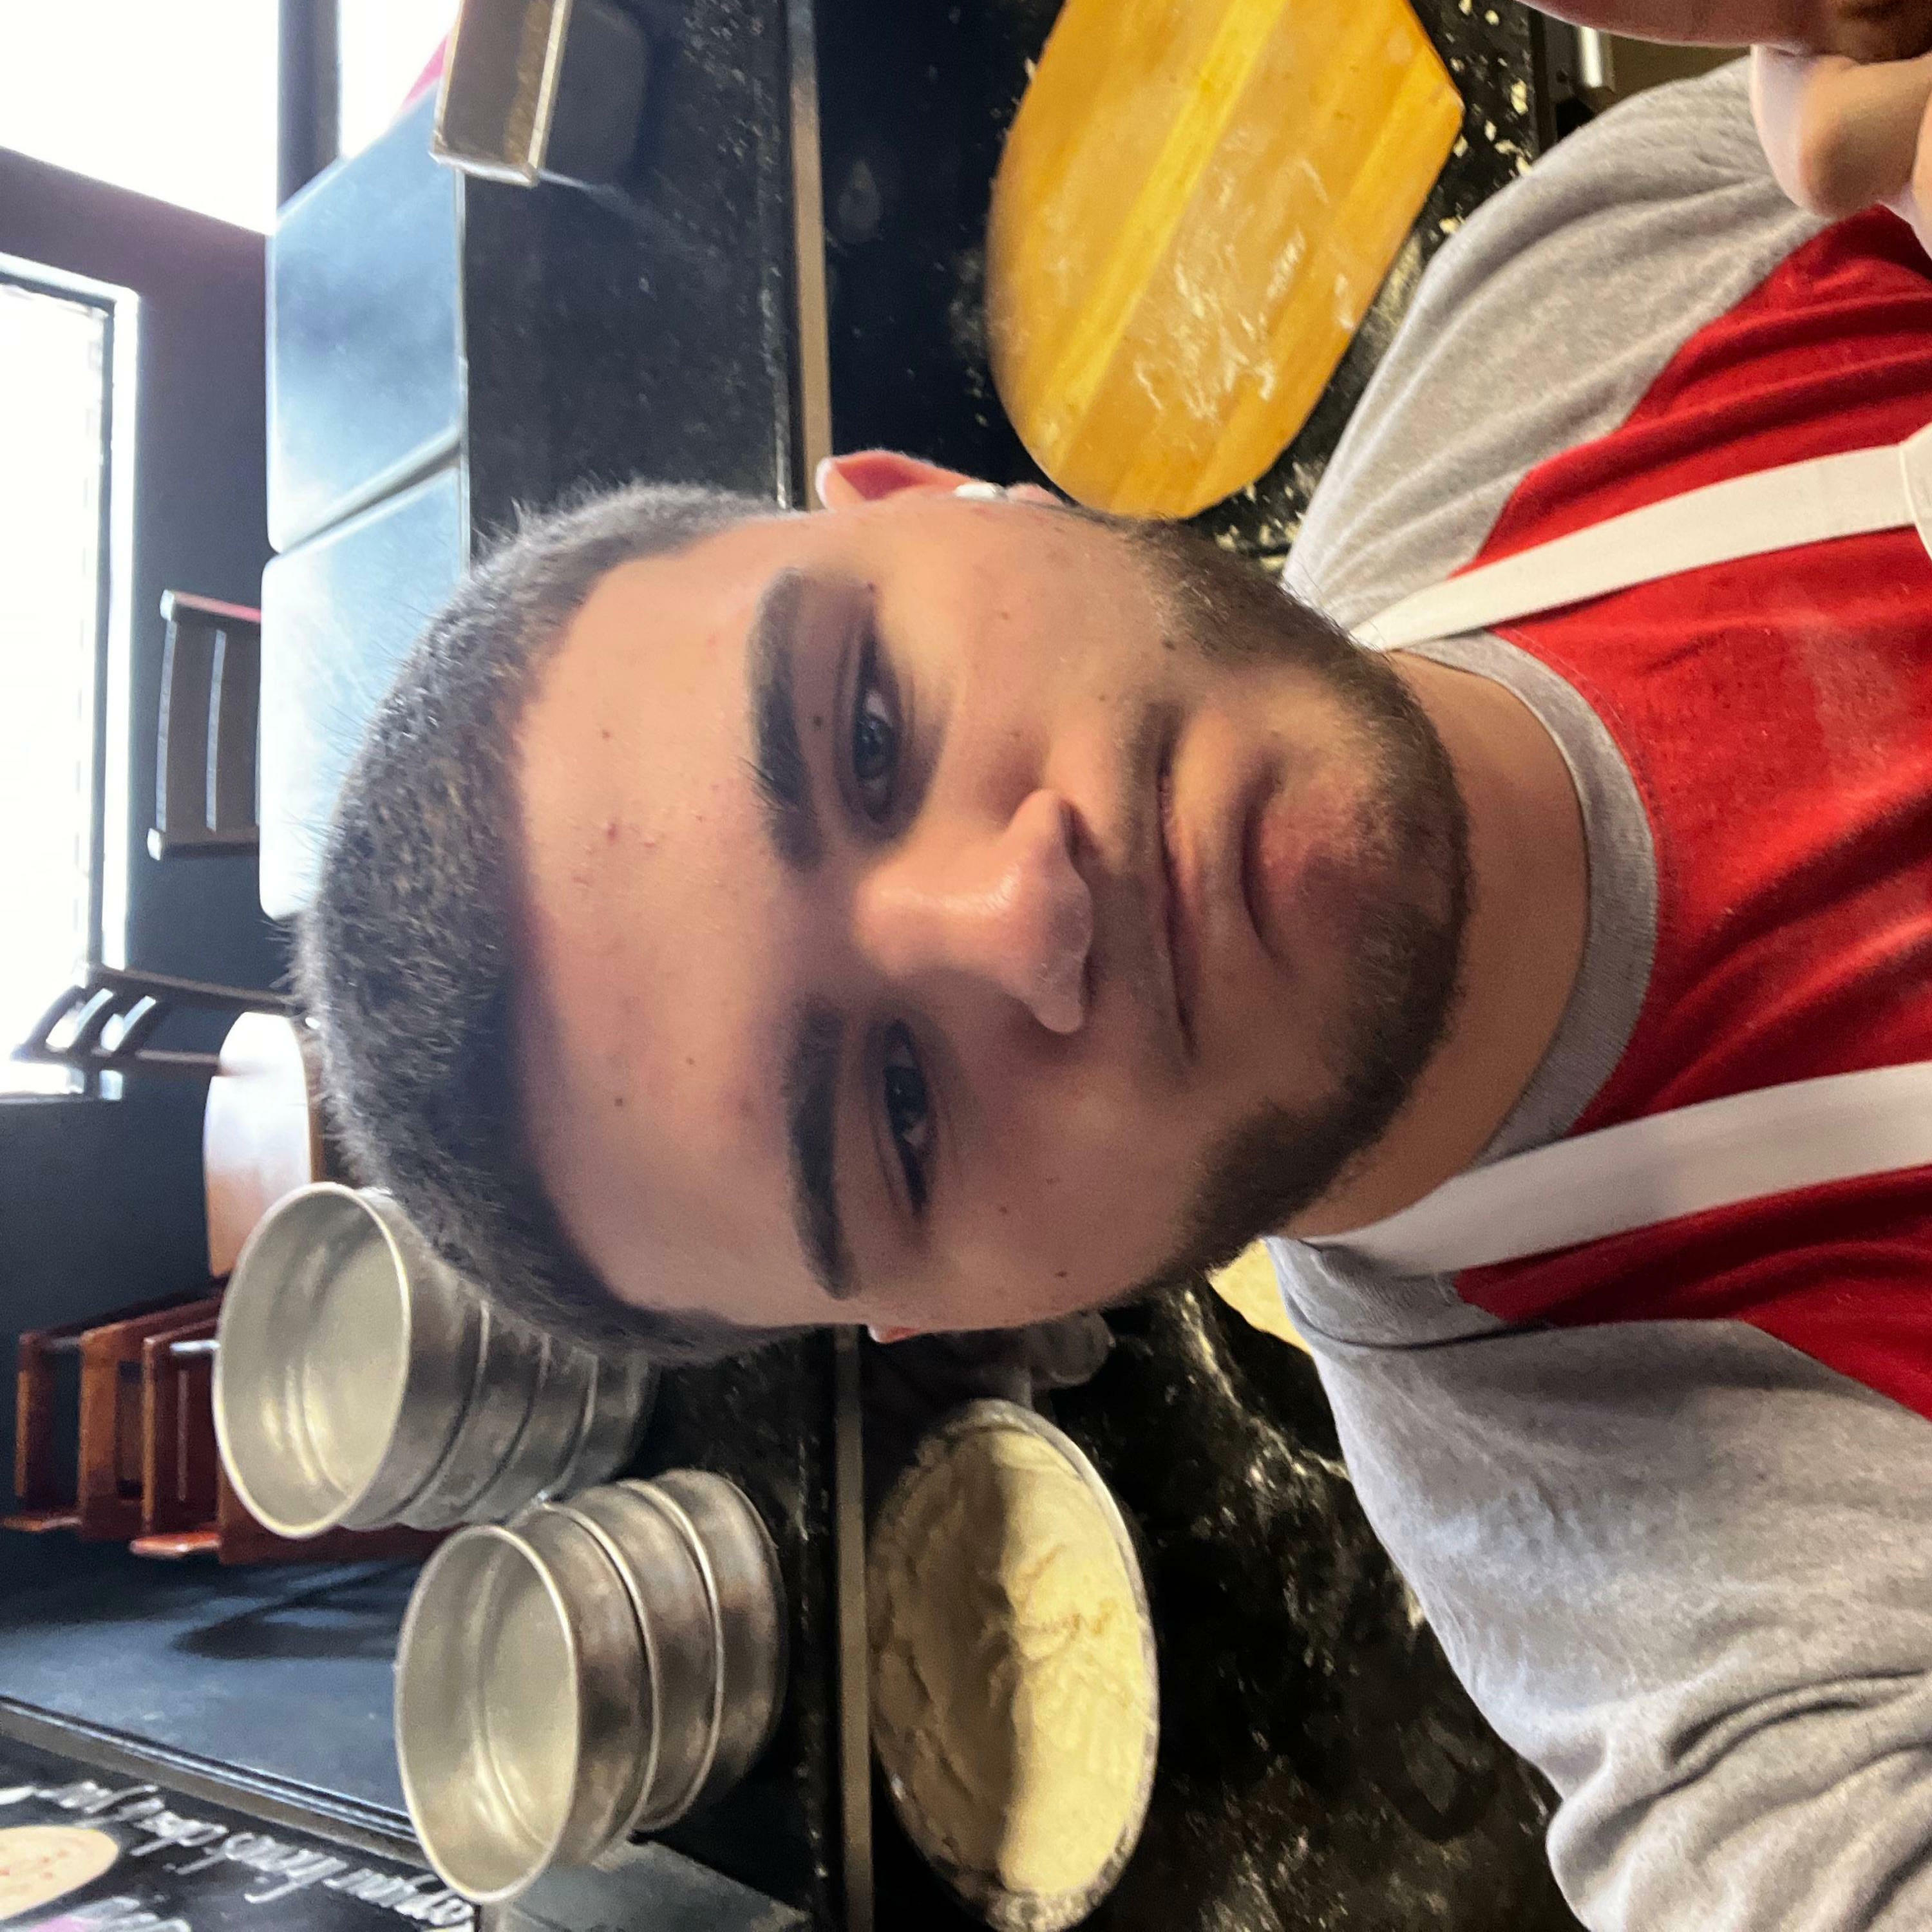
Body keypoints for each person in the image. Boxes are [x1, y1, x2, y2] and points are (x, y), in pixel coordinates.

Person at [299, 1, 1932, 1920]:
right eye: (899, 1114)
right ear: (966, 1308)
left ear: (933, 500)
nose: (1025, 918)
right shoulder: (1733, 1705)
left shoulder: (1594, 304)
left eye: (873, 731)